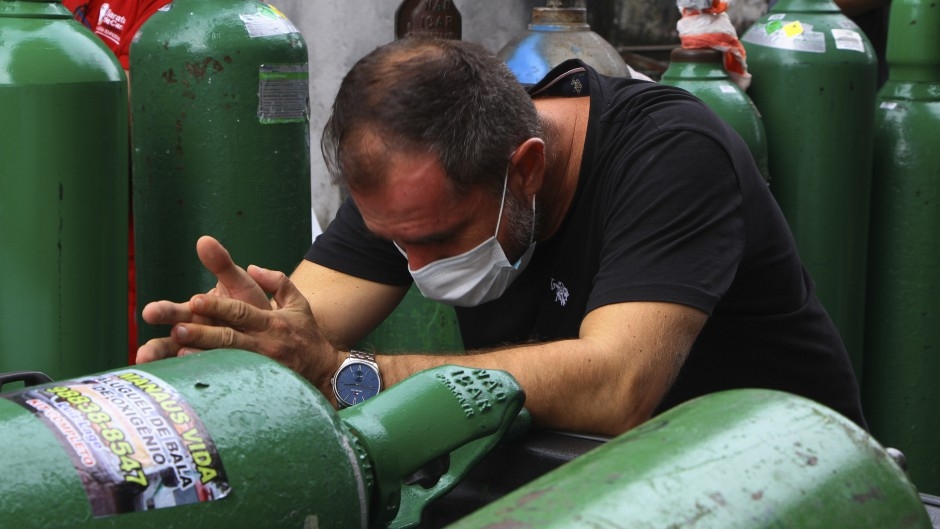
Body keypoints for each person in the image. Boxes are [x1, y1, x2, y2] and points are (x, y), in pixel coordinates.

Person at [137, 36, 866, 436]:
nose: (415, 266)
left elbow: (616, 385)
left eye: (438, 237)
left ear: (527, 168)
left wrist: (350, 374)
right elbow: (300, 335)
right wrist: (233, 353)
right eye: (397, 241)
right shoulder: (411, 184)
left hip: (793, 473)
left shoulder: (671, 154)